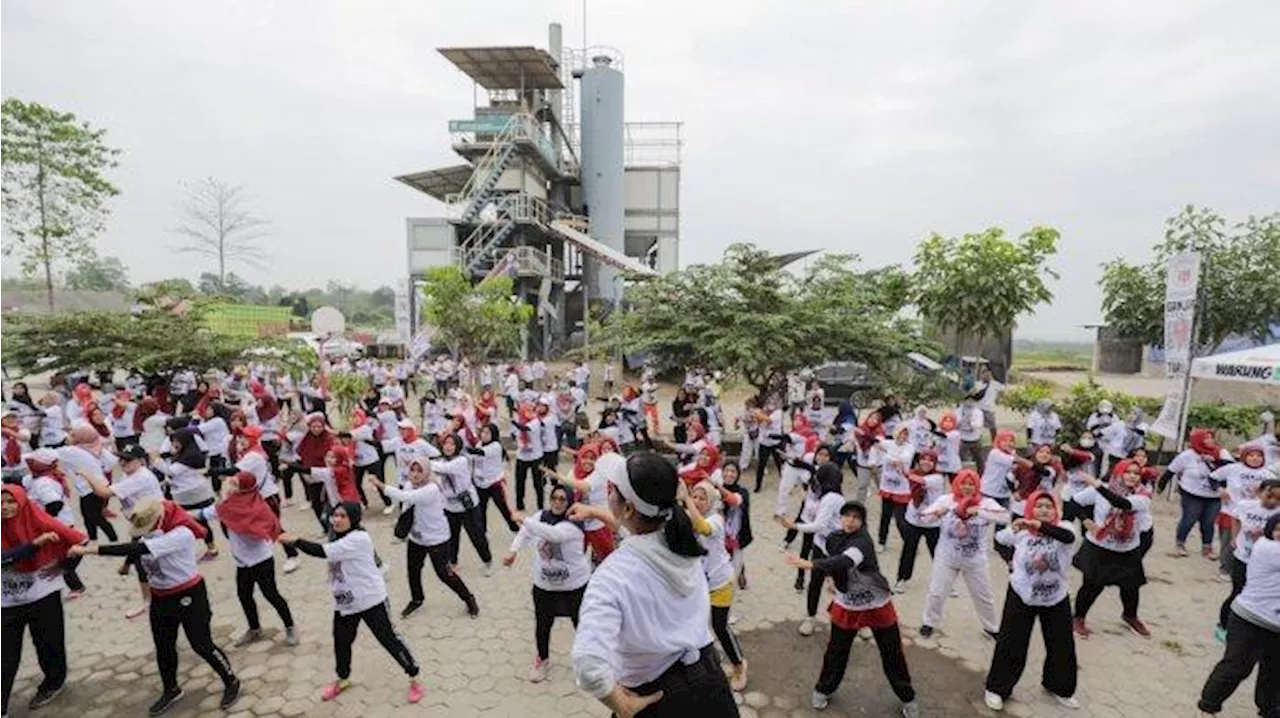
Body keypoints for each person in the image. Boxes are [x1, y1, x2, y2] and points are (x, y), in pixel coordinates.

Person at [571, 452, 740, 717]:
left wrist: (621, 705)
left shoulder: (611, 576)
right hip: (710, 681)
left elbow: (588, 665)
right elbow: (633, 529)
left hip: (656, 697)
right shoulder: (681, 540)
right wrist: (593, 511)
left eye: (612, 490)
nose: (608, 493)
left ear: (627, 508)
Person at [69, 499, 241, 715]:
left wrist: (88, 551)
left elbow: (137, 547)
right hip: (161, 597)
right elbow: (136, 547)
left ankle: (231, 680)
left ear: (159, 519)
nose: (142, 531)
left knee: (202, 645)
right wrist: (127, 565)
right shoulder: (149, 529)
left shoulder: (181, 533)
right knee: (164, 647)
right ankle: (171, 689)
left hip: (189, 594)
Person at [278, 502, 424, 705]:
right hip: (346, 603)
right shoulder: (338, 536)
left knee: (388, 639)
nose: (336, 520)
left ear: (353, 519)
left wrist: (295, 541)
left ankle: (414, 676)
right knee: (341, 641)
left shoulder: (359, 538)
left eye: (342, 516)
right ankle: (343, 678)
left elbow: (321, 551)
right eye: (335, 515)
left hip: (371, 600)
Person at [785, 500, 919, 717]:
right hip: (848, 604)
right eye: (846, 516)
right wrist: (830, 576)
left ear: (862, 521)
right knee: (836, 651)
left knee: (892, 652)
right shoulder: (835, 537)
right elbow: (833, 559)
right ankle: (824, 689)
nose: (850, 520)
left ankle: (908, 697)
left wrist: (812, 565)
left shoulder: (863, 541)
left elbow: (847, 561)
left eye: (856, 517)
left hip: (876, 603)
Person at [983, 491, 1080, 711]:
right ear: (1030, 509)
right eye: (1039, 506)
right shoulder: (1022, 532)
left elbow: (1069, 539)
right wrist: (1010, 559)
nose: (1044, 510)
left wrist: (1036, 524)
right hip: (1021, 593)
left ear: (1056, 510)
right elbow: (1000, 540)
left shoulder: (1065, 528)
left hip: (1055, 596)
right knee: (1011, 642)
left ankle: (1060, 687)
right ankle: (997, 688)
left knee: (1061, 644)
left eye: (1049, 506)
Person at [0, 485, 85, 716]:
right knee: (5, 655)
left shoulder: (41, 520)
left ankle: (53, 684)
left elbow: (79, 541)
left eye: (11, 501)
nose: (5, 507)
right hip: (6, 602)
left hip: (43, 595)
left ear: (22, 503)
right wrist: (35, 545)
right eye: (1, 503)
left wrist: (64, 566)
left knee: (49, 644)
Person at [194, 472, 298, 648]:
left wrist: (253, 529)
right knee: (244, 595)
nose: (229, 485)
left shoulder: (258, 507)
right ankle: (255, 629)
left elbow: (269, 527)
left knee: (271, 594)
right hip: (242, 562)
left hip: (262, 560)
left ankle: (290, 627)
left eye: (234, 484)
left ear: (243, 489)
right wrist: (173, 511)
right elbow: (201, 514)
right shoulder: (226, 506)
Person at [366, 460, 478, 620]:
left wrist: (379, 484)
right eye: (413, 470)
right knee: (413, 571)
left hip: (436, 539)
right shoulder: (409, 485)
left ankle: (469, 598)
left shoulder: (431, 489)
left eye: (420, 471)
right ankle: (417, 599)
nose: (416, 474)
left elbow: (405, 497)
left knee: (444, 574)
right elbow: (406, 504)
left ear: (426, 472)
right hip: (416, 538)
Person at [503, 484, 591, 683]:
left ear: (570, 503)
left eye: (563, 499)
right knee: (543, 624)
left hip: (574, 587)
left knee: (582, 625)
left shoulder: (574, 524)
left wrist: (523, 517)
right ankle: (542, 660)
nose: (558, 503)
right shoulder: (541, 516)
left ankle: (587, 663)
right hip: (545, 586)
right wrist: (513, 551)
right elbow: (526, 532)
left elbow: (554, 535)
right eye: (554, 498)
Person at [1196, 514, 1280, 717]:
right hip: (1250, 619)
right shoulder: (1267, 548)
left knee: (1274, 673)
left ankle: (1269, 710)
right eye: (1279, 529)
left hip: (1276, 627)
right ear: (1270, 530)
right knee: (1236, 667)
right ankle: (1208, 707)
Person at [918, 469, 1008, 639]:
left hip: (975, 560)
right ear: (957, 483)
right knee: (937, 592)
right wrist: (940, 512)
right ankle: (929, 622)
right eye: (963, 483)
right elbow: (923, 518)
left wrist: (979, 511)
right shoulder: (946, 500)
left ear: (977, 486)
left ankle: (991, 628)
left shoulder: (986, 502)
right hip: (947, 557)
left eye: (971, 484)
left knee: (984, 595)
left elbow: (1004, 516)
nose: (967, 487)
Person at [1071, 459, 1153, 638]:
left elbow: (1121, 503)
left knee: (1131, 587)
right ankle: (1078, 618)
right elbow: (1073, 502)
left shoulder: (1143, 496)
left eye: (1136, 473)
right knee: (1091, 586)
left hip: (1127, 549)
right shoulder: (1100, 490)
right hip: (1099, 547)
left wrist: (1097, 484)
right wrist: (1086, 521)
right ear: (1119, 472)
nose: (1132, 476)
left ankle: (1130, 616)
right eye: (1128, 472)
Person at [686, 480, 748, 691]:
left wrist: (684, 499)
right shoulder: (689, 517)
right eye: (694, 496)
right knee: (698, 625)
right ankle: (710, 658)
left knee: (720, 627)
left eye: (702, 498)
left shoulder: (716, 519)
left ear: (711, 501)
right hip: (700, 584)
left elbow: (703, 528)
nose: (697, 501)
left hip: (721, 582)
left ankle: (739, 665)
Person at [777, 463, 846, 638]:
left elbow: (819, 524)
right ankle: (810, 617)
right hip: (820, 546)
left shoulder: (832, 498)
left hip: (837, 550)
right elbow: (808, 515)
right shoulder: (818, 494)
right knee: (815, 583)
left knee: (844, 586)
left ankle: (858, 621)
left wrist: (793, 526)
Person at [1215, 479, 1280, 643]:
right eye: (1269, 496)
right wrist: (1234, 537)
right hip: (1243, 557)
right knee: (1238, 591)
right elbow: (1235, 518)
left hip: (1267, 563)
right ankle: (1223, 625)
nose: (1273, 501)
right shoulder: (1246, 505)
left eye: (1278, 499)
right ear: (1260, 492)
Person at [1164, 428, 1235, 559]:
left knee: (1209, 522)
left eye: (1211, 437)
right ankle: (1180, 543)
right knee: (1190, 517)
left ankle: (1207, 547)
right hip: (1191, 492)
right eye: (1206, 438)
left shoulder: (1221, 452)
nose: (1210, 440)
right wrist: (1161, 485)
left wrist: (1215, 460)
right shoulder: (1187, 455)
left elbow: (1232, 469)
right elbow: (1171, 470)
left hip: (1214, 494)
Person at [895, 451, 947, 593]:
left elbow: (921, 481)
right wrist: (902, 470)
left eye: (930, 460)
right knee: (908, 551)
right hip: (914, 520)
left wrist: (903, 471)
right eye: (923, 459)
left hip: (932, 522)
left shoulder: (938, 477)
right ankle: (902, 579)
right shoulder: (913, 473)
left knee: (938, 553)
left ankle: (944, 582)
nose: (926, 462)